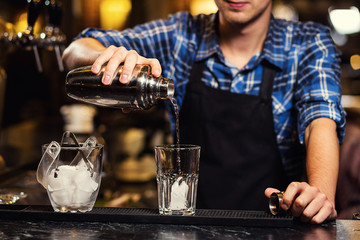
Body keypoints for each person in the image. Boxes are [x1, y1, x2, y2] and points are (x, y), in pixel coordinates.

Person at [62, 0, 346, 224]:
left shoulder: (309, 42)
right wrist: (110, 58)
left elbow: (319, 122)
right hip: (189, 226)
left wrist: (319, 196)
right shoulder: (181, 35)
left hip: (275, 227)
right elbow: (75, 50)